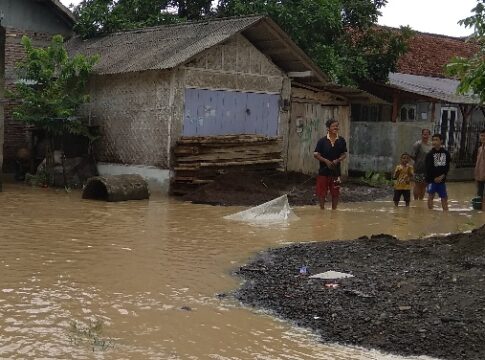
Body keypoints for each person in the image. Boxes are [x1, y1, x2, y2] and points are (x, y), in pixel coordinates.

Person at [313, 119, 347, 210]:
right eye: (333, 126)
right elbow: (316, 154)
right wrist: (326, 161)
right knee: (321, 193)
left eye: (337, 126)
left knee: (335, 193)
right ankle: (322, 210)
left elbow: (344, 155)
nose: (336, 128)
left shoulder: (341, 140)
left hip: (336, 172)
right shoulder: (322, 141)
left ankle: (334, 211)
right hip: (323, 172)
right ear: (328, 128)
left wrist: (338, 160)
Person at [425, 133, 450, 211]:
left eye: (436, 140)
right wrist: (434, 178)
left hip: (442, 180)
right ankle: (430, 214)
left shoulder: (446, 153)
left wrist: (442, 176)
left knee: (444, 197)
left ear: (441, 141)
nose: (434, 142)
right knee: (430, 196)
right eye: (433, 140)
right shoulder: (429, 154)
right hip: (432, 181)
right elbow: (428, 169)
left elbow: (447, 167)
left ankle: (446, 214)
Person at [411, 128, 432, 200]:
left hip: (428, 169)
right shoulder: (417, 144)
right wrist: (418, 163)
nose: (425, 136)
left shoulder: (431, 145)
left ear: (429, 135)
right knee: (417, 185)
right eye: (424, 134)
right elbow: (413, 156)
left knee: (424, 186)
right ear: (421, 135)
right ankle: (416, 200)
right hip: (419, 168)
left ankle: (421, 201)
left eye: (426, 134)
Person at [474, 129, 485, 210]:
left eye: (484, 136)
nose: (483, 137)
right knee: (479, 196)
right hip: (479, 176)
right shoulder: (480, 149)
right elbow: (478, 163)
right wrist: (476, 175)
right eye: (481, 135)